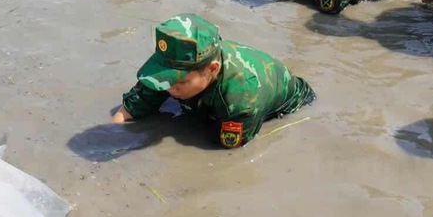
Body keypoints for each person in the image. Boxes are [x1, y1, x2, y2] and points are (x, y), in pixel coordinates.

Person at [112, 14, 315, 149]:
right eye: (165, 77)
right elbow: (130, 108)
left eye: (179, 81)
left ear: (212, 69)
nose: (169, 86)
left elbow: (225, 154)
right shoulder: (175, 66)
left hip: (292, 101)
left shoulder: (241, 98)